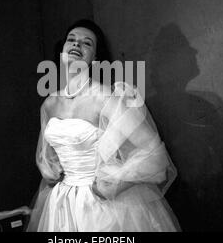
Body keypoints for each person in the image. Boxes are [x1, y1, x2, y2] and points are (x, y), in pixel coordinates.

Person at [27, 19, 180, 232]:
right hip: (62, 205)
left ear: (95, 57)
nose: (76, 45)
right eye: (71, 40)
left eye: (86, 43)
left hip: (102, 208)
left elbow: (156, 157)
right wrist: (49, 170)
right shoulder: (49, 104)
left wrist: (116, 184)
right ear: (62, 49)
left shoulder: (106, 97)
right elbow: (47, 157)